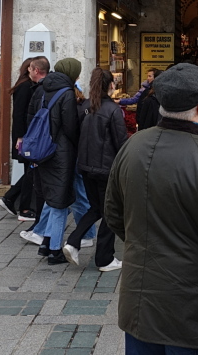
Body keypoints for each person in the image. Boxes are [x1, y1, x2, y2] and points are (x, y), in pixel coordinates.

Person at [105, 63, 198, 355]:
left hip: (141, 301)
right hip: (196, 308)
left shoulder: (133, 145)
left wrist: (146, 243)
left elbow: (114, 213)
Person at [20, 57, 90, 265]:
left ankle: (46, 241)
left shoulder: (41, 89)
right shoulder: (67, 93)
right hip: (61, 153)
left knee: (52, 197)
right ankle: (54, 250)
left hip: (43, 152)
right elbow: (69, 127)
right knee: (60, 201)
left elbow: (29, 117)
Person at [64, 68, 127, 271]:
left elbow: (75, 133)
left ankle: (73, 242)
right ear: (111, 85)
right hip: (106, 169)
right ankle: (104, 258)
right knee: (111, 212)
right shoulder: (112, 110)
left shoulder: (85, 105)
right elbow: (121, 142)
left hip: (86, 166)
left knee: (96, 209)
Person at [0, 57, 43, 222]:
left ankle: (10, 199)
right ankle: (23, 207)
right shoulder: (25, 87)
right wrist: (20, 137)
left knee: (31, 171)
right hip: (25, 137)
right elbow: (18, 114)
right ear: (30, 69)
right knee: (31, 171)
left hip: (26, 136)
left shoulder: (27, 86)